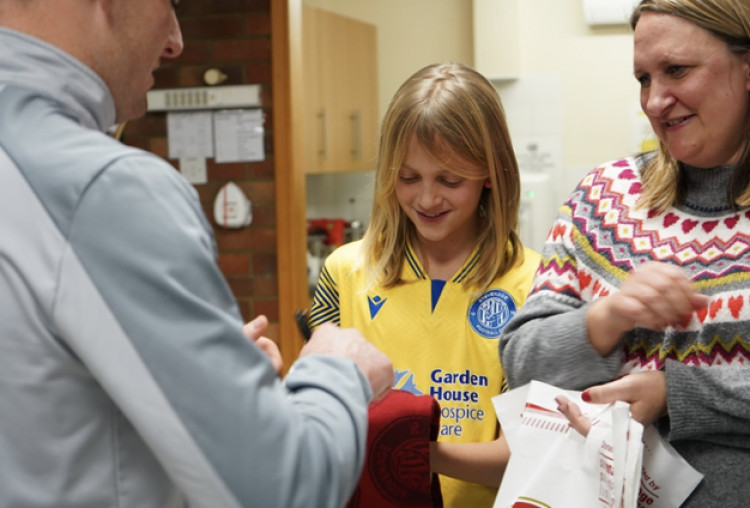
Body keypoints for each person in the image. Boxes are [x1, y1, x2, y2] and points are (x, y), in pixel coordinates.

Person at [0, 1, 395, 507]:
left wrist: (209, 375)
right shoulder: (105, 190)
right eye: (168, 4)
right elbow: (283, 490)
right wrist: (340, 371)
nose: (175, 40)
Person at [499, 0, 750, 505]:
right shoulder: (603, 197)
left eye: (677, 70)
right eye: (642, 78)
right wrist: (605, 319)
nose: (656, 100)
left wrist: (674, 394)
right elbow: (519, 361)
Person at [308, 63, 541, 507]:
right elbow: (315, 421)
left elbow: (532, 449)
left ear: (490, 173)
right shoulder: (343, 272)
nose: (427, 199)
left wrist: (412, 454)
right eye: (408, 177)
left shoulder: (533, 285)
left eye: (450, 180)